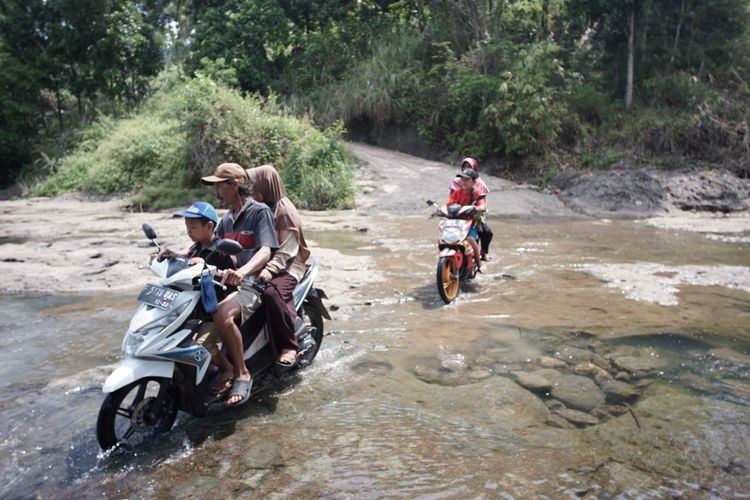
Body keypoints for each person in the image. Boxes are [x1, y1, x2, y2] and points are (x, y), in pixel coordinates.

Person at [201, 162, 279, 407]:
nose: (216, 193)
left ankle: (242, 372)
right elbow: (208, 244)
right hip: (229, 283)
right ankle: (221, 367)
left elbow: (266, 250)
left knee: (222, 314)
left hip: (253, 283)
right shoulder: (226, 220)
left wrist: (244, 272)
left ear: (234, 185)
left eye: (219, 187)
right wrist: (180, 255)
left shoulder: (259, 212)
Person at [246, 164, 311, 370]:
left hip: (290, 266)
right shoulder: (260, 208)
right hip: (268, 261)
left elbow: (287, 251)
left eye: (254, 184)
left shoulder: (285, 212)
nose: (250, 188)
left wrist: (269, 270)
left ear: (265, 185)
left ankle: (288, 346)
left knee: (271, 294)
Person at [169, 201, 236, 394]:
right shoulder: (196, 246)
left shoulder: (222, 250)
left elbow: (231, 275)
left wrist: (205, 265)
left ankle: (227, 369)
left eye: (193, 227)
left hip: (214, 311)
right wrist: (170, 256)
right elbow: (185, 258)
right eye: (187, 227)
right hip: (193, 309)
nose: (189, 231)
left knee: (202, 345)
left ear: (209, 226)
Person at [449, 157, 493, 261]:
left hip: (473, 215)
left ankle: (483, 254)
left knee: (487, 232)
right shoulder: (457, 185)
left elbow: (482, 202)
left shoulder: (479, 186)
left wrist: (479, 209)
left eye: (469, 167)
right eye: (464, 167)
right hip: (457, 214)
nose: (464, 182)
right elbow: (450, 200)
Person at [444, 168, 486, 272]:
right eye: (462, 179)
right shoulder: (457, 192)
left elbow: (482, 206)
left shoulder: (477, 193)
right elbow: (448, 204)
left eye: (467, 179)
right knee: (445, 238)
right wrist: (441, 210)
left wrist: (477, 208)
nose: (464, 182)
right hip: (457, 222)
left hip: (471, 223)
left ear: (474, 182)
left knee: (470, 239)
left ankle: (479, 264)